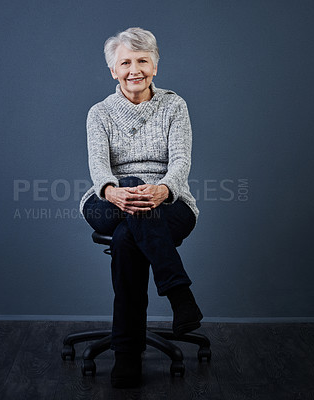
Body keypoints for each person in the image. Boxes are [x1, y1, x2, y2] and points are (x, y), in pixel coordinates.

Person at [79, 27, 203, 388]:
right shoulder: (99, 113)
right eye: (126, 62)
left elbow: (181, 161)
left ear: (155, 66)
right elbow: (99, 167)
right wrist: (114, 190)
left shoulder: (174, 105)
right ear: (113, 71)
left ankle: (126, 354)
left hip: (170, 202)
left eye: (143, 61)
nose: (135, 69)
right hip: (108, 201)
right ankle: (180, 293)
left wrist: (164, 189)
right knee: (129, 187)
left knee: (125, 242)